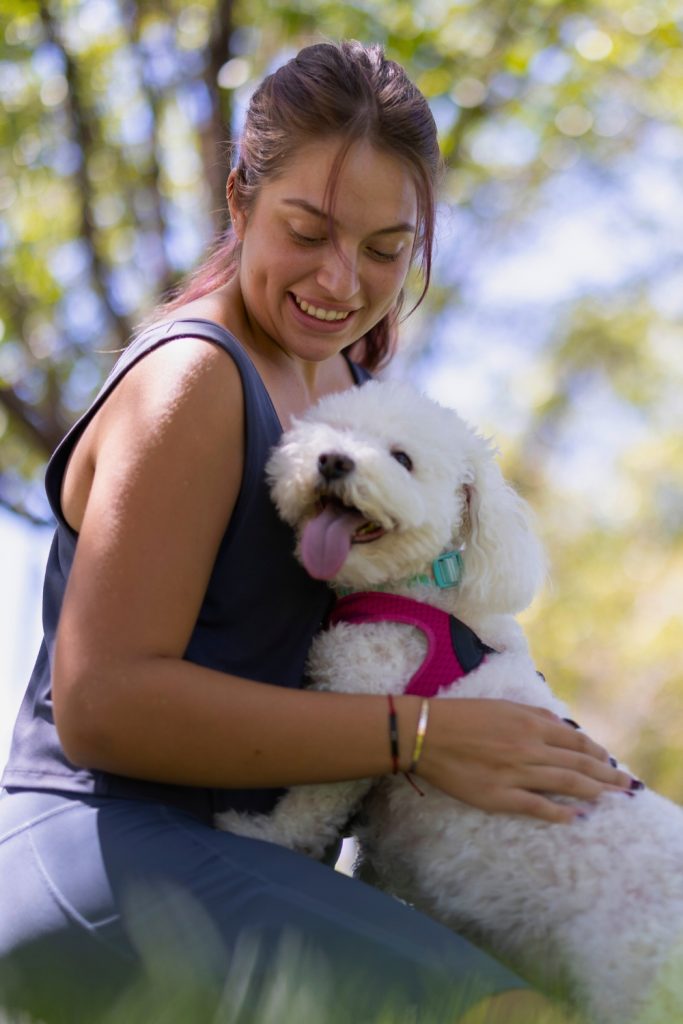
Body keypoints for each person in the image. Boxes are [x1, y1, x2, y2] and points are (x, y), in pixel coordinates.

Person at [0, 40, 633, 1024]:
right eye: (308, 230)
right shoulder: (192, 383)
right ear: (239, 199)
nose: (342, 280)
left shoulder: (353, 399)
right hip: (101, 850)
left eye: (385, 249)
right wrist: (417, 735)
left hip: (254, 854)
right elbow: (101, 703)